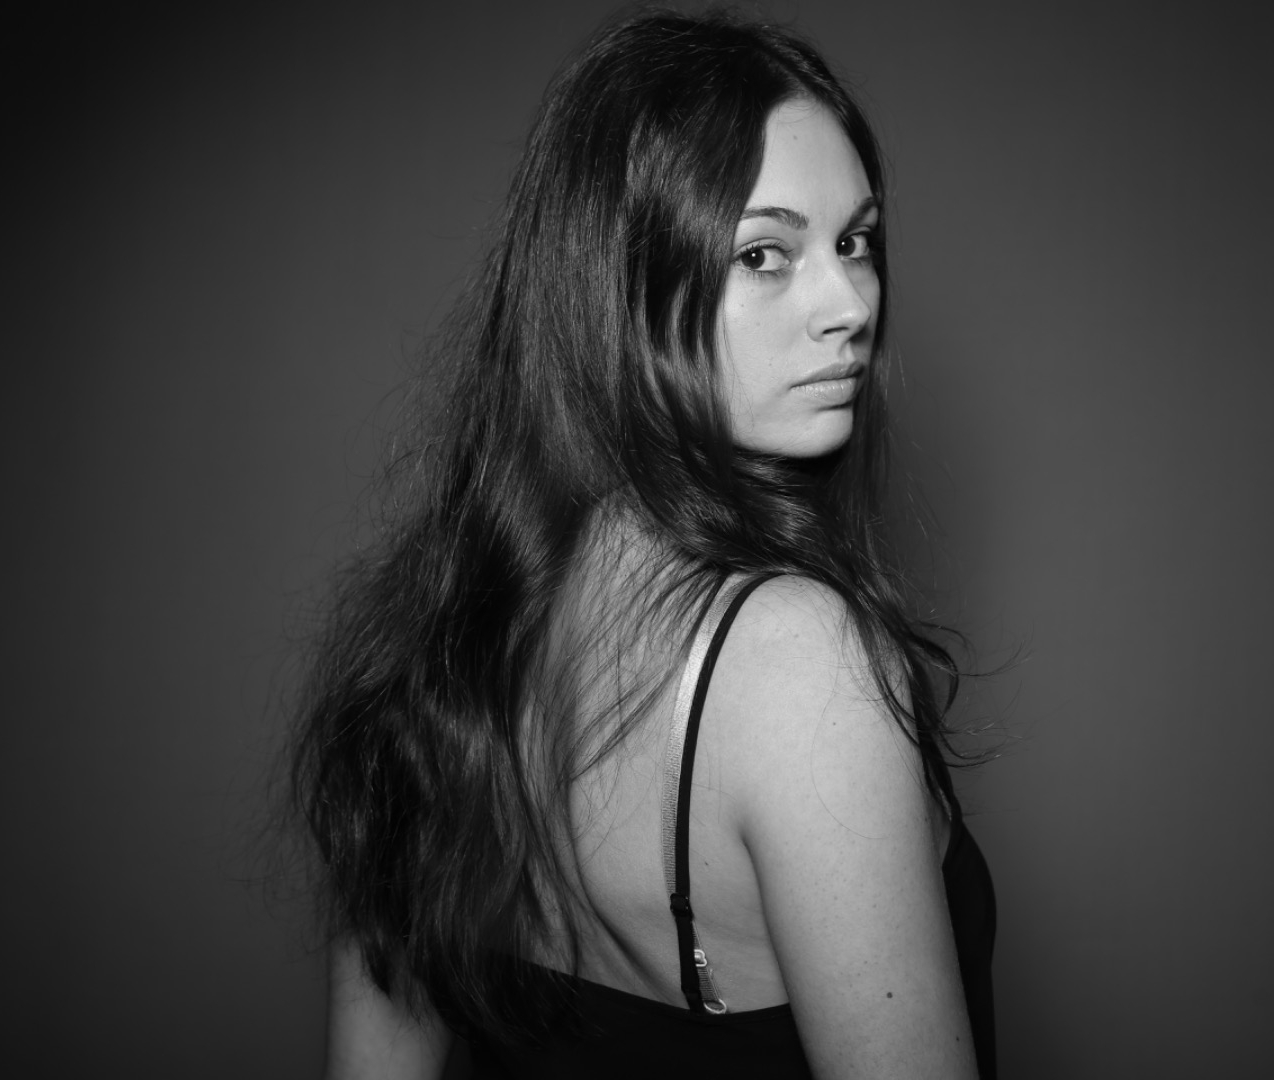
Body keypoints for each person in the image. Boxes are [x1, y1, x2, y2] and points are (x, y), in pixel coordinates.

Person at [291, 10, 995, 1078]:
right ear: (615, 287)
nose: (849, 303)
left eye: (855, 241)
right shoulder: (798, 661)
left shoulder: (436, 656)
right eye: (764, 253)